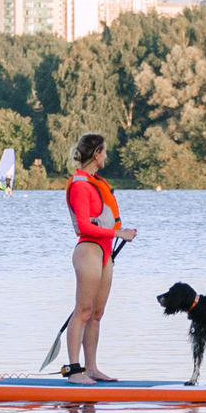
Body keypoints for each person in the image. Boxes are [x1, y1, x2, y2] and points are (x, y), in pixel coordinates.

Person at [62, 132, 136, 384]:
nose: (106, 156)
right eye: (104, 151)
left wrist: (121, 234)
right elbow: (84, 226)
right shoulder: (81, 186)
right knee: (82, 311)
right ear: (96, 154)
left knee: (96, 313)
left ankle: (91, 368)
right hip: (89, 250)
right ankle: (74, 371)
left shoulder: (94, 182)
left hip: (105, 252)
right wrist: (119, 233)